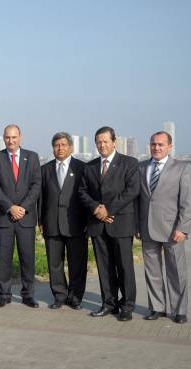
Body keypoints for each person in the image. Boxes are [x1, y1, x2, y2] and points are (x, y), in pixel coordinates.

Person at [79, 126, 140, 321]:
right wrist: (97, 208)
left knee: (124, 267)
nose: (102, 145)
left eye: (105, 141)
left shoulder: (129, 163)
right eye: (98, 142)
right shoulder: (89, 166)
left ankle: (127, 306)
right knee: (104, 267)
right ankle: (109, 303)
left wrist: (109, 210)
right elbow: (82, 192)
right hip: (98, 224)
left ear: (115, 142)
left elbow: (132, 190)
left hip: (120, 223)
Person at [136, 131, 191, 324]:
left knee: (176, 272)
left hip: (173, 230)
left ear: (169, 146)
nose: (156, 148)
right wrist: (138, 225)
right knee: (152, 272)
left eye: (161, 144)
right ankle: (157, 308)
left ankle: (179, 310)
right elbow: (138, 201)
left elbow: (187, 202)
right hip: (147, 228)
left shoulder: (181, 168)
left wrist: (183, 228)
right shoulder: (141, 167)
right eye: (153, 144)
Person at [0, 124, 41, 308]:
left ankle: (28, 295)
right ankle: (4, 295)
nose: (11, 140)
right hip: (4, 217)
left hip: (26, 218)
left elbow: (36, 185)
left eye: (14, 137)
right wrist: (10, 207)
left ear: (20, 137)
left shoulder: (32, 157)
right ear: (4, 138)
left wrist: (22, 207)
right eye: (7, 137)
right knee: (4, 259)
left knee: (27, 258)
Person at [39, 132, 88, 310]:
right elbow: (41, 198)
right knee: (54, 263)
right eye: (56, 145)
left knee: (77, 263)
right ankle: (59, 295)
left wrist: (87, 222)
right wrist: (40, 221)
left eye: (63, 145)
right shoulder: (45, 170)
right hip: (51, 223)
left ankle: (75, 297)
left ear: (71, 147)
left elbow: (86, 197)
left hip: (76, 224)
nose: (60, 148)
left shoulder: (82, 168)